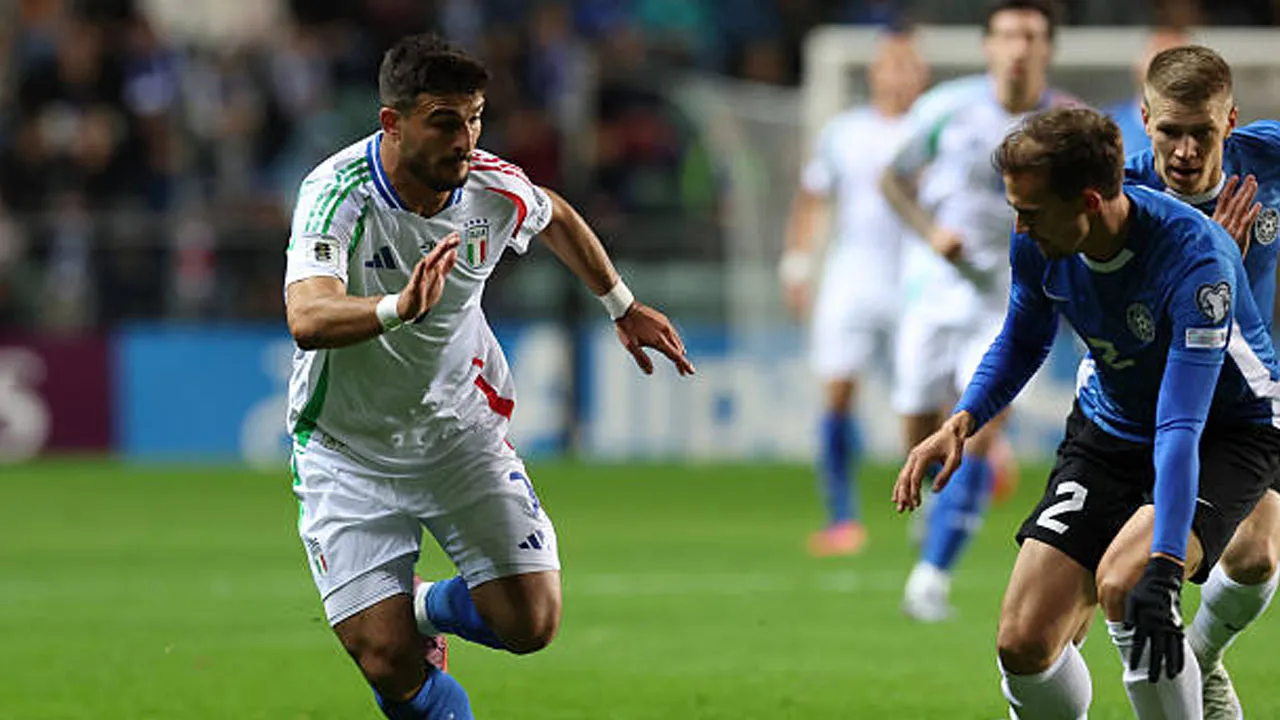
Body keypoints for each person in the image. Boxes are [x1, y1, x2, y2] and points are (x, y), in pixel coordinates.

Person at [283, 34, 695, 720]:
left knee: (532, 623)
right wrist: (396, 308)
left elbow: (554, 213)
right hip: (348, 449)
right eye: (445, 121)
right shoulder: (337, 193)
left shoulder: (491, 186)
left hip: (459, 435)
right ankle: (402, 631)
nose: (465, 139)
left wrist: (621, 305)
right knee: (386, 660)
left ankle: (420, 606)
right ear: (393, 123)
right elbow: (307, 315)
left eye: (474, 118)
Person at [894, 106, 1280, 720]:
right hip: (1113, 423)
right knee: (1023, 643)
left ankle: (1198, 666)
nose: (1019, 225)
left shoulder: (1195, 260)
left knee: (1131, 584)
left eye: (1031, 211)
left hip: (1228, 429)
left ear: (1090, 203)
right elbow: (1022, 338)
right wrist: (960, 421)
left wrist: (1163, 565)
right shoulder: (1038, 241)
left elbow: (1180, 426)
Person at [880, 0, 1070, 621]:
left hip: (1010, 298)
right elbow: (891, 179)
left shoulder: (1067, 125)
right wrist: (931, 232)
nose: (1019, 47)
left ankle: (930, 578)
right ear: (988, 45)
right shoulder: (947, 108)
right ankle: (939, 516)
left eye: (1032, 36)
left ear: (1047, 48)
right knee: (918, 425)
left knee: (979, 430)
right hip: (932, 291)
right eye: (1008, 35)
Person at [1118, 44, 1280, 719]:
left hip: (1241, 401)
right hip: (1149, 405)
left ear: (1231, 122)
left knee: (1258, 557)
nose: (1185, 151)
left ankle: (1203, 657)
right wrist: (1205, 262)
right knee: (1109, 588)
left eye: (1202, 133)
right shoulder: (1124, 196)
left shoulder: (1266, 159)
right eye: (1169, 131)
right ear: (1145, 119)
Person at [779, 28, 928, 556]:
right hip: (853, 278)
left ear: (922, 76)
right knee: (838, 392)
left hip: (917, 280)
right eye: (891, 65)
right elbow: (812, 197)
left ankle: (928, 511)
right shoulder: (844, 132)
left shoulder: (932, 128)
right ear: (874, 74)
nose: (899, 75)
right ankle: (842, 517)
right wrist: (797, 265)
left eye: (908, 66)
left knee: (920, 400)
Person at [1103, 27, 1193, 155]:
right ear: (1138, 66)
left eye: (1177, 62)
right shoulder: (1106, 127)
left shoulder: (1216, 135)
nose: (1165, 71)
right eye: (1157, 58)